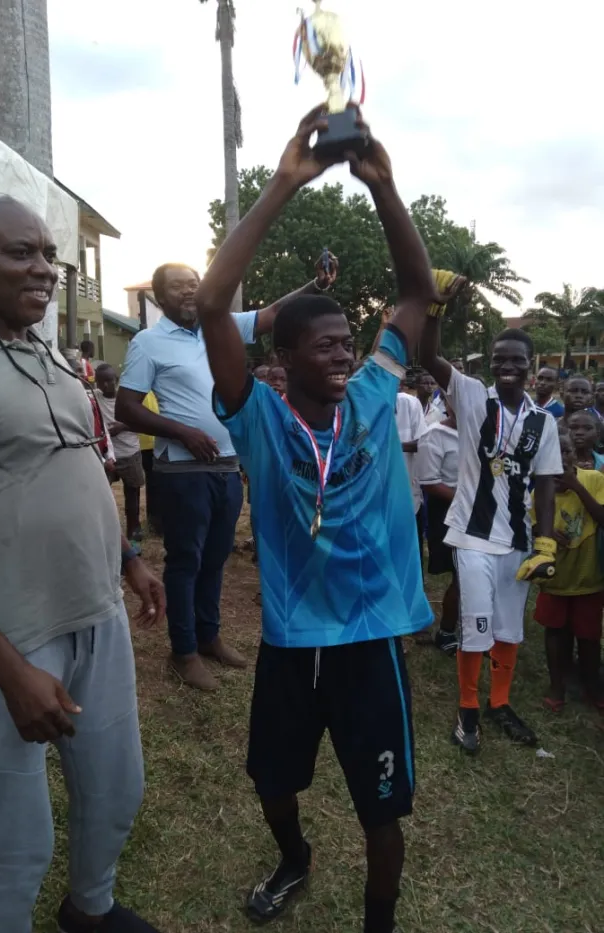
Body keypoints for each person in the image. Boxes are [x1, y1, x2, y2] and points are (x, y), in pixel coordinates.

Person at [194, 104, 455, 933]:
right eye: (327, 344)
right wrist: (282, 184)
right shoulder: (259, 419)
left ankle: (379, 921)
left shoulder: (377, 392)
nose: (345, 352)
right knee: (274, 782)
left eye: (349, 341)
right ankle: (295, 857)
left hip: (372, 641)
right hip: (292, 640)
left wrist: (384, 187)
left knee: (384, 806)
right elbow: (211, 305)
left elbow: (417, 295)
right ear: (284, 359)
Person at [0, 194, 165, 933]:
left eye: (49, 254)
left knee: (114, 790)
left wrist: (128, 560)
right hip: (4, 646)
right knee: (12, 842)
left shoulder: (47, 353)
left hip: (97, 619)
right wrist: (12, 672)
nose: (45, 269)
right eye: (22, 253)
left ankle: (90, 908)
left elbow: (75, 466)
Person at [114, 254, 339, 692]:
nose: (190, 290)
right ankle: (183, 652)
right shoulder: (148, 342)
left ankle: (209, 635)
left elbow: (274, 314)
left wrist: (316, 285)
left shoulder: (222, 326)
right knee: (186, 562)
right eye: (178, 285)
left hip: (228, 467)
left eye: (194, 281)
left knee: (216, 557)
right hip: (184, 471)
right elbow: (126, 407)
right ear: (159, 297)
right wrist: (182, 432)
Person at [420, 321, 562, 754]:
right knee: (477, 624)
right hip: (472, 536)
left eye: (517, 359)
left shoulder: (543, 422)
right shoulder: (472, 396)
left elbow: (547, 484)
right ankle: (467, 709)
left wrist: (546, 543)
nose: (507, 366)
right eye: (499, 358)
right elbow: (428, 356)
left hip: (517, 541)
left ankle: (499, 702)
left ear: (530, 365)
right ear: (491, 362)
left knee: (508, 628)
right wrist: (434, 312)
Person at [533, 430, 604, 711]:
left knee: (589, 637)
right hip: (556, 578)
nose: (560, 458)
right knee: (555, 632)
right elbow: (532, 525)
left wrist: (576, 486)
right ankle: (557, 685)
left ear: (576, 454)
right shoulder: (540, 488)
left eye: (566, 451)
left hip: (589, 576)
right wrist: (545, 531)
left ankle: (592, 687)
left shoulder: (594, 479)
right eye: (553, 452)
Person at [416, 399, 460, 655]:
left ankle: (480, 629)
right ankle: (446, 631)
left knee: (479, 574)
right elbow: (430, 481)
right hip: (448, 509)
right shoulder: (435, 434)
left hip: (483, 511)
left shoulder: (486, 430)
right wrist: (469, 500)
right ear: (446, 403)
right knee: (461, 573)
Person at [95, 363, 145, 542]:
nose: (105, 385)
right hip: (107, 456)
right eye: (101, 382)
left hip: (129, 453)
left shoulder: (127, 400)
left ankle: (134, 530)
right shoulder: (95, 398)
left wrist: (122, 427)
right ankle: (106, 531)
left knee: (132, 494)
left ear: (116, 380)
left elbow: (144, 423)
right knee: (101, 494)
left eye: (109, 380)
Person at [395, 390, 427, 560]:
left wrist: (391, 445)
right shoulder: (360, 402)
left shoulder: (409, 403)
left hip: (405, 488)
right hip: (372, 493)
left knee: (410, 549)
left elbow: (423, 442)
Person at [138, 391, 162, 536]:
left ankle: (157, 522)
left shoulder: (153, 390)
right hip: (147, 444)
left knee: (158, 484)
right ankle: (155, 523)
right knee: (153, 484)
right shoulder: (140, 389)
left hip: (158, 441)